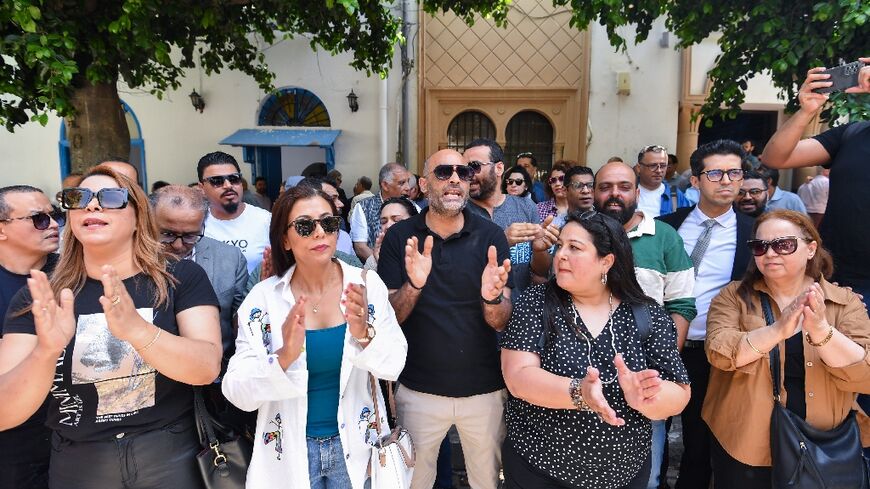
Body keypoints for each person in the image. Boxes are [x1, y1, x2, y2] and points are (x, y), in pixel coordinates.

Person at [0, 166, 222, 488]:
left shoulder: (181, 278)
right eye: (79, 198)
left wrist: (138, 331)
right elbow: (5, 413)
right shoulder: (42, 295)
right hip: (80, 465)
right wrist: (46, 352)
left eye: (111, 198)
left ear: (138, 216)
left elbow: (206, 367)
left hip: (170, 457)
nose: (92, 205)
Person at [221, 185, 407, 488]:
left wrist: (364, 336)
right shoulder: (264, 299)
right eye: (305, 226)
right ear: (284, 239)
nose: (320, 233)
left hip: (358, 450)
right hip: (290, 455)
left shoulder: (366, 285)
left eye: (329, 222)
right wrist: (283, 358)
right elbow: (237, 392)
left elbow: (395, 364)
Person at [500, 210, 690, 489]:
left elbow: (680, 391)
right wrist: (581, 393)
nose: (560, 254)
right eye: (560, 245)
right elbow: (518, 377)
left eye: (574, 248)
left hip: (623, 476)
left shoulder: (647, 314)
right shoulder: (537, 302)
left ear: (607, 261)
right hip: (538, 470)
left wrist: (649, 396)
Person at [704, 209, 870, 487]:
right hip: (746, 442)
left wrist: (821, 331)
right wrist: (779, 329)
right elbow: (720, 353)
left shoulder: (845, 302)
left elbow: (865, 374)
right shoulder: (733, 296)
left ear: (810, 248)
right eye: (760, 246)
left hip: (823, 443)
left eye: (783, 244)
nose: (770, 254)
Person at [378, 148, 513, 489]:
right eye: (443, 172)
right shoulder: (400, 237)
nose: (455, 178)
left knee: (488, 483)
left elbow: (500, 321)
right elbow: (389, 317)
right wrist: (414, 285)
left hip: (484, 390)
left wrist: (491, 296)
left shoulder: (491, 237)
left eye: (463, 172)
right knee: (414, 482)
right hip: (419, 390)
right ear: (423, 184)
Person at [658, 139, 755, 489]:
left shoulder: (756, 234)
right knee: (653, 433)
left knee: (701, 440)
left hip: (713, 353)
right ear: (696, 181)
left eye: (734, 172)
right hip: (662, 347)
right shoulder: (664, 225)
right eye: (715, 173)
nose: (726, 180)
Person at [594, 162, 697, 489]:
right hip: (588, 377)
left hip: (645, 378)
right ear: (594, 193)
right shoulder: (581, 234)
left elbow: (681, 305)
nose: (614, 194)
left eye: (623, 186)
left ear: (637, 193)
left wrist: (666, 363)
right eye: (605, 186)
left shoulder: (664, 237)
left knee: (645, 476)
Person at [0, 185, 64, 489]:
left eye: (55, 216)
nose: (53, 225)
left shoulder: (72, 277)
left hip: (73, 437)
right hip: (11, 443)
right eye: (39, 219)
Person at [465, 138, 542, 296]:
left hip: (522, 312)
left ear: (499, 168)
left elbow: (541, 270)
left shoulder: (527, 207)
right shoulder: (459, 212)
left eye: (474, 166)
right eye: (464, 169)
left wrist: (540, 249)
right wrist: (501, 241)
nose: (468, 174)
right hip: (476, 310)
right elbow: (458, 269)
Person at [198, 151, 272, 273]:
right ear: (201, 188)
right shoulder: (196, 224)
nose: (228, 185)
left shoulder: (266, 220)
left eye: (234, 179)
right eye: (217, 181)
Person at [349, 163, 412, 262]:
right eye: (401, 183)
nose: (408, 187)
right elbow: (360, 247)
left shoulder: (413, 207)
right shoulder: (364, 207)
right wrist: (382, 265)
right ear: (385, 185)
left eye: (408, 182)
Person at [363, 197, 419, 271]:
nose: (388, 225)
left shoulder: (428, 250)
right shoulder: (373, 259)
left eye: (396, 220)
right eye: (383, 222)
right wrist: (382, 263)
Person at [635, 145, 691, 218]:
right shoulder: (627, 192)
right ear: (639, 168)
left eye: (663, 166)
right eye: (653, 165)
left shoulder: (676, 196)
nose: (659, 170)